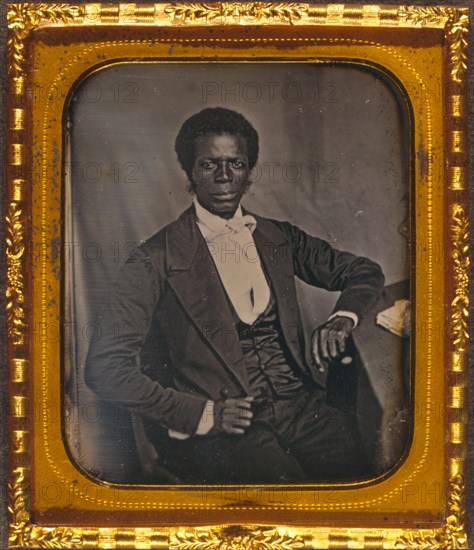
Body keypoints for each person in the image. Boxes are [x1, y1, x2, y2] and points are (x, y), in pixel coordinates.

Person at [85, 107, 385, 483]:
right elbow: (106, 368)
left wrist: (344, 317)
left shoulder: (279, 237)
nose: (225, 178)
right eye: (210, 165)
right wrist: (204, 414)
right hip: (222, 427)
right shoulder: (152, 260)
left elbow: (363, 272)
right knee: (282, 504)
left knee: (363, 470)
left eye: (236, 164)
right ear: (189, 173)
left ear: (250, 172)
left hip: (299, 404)